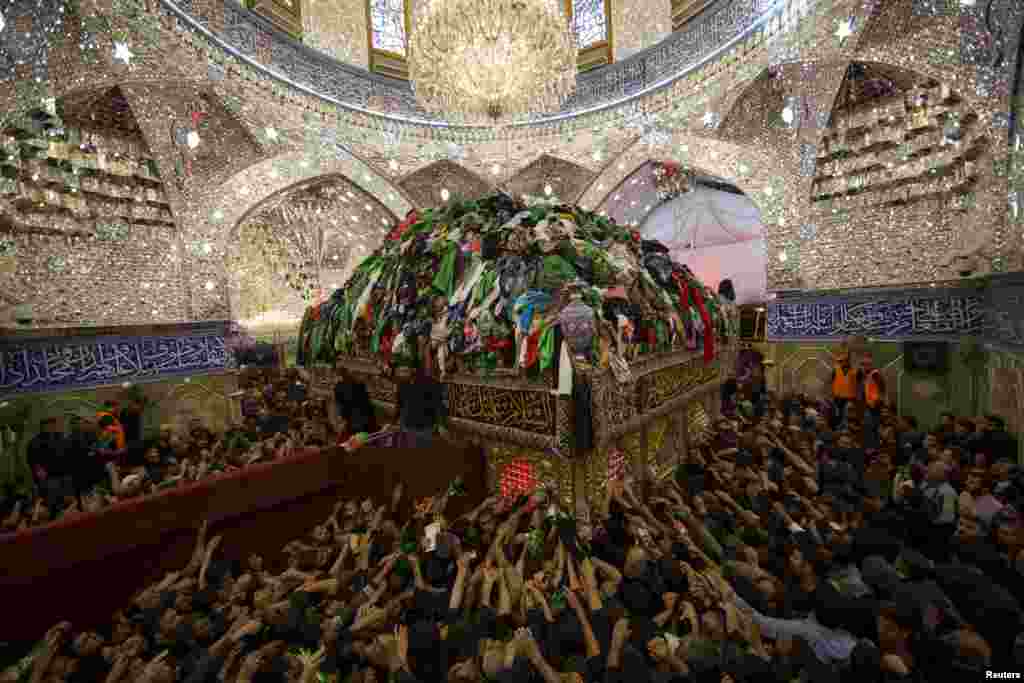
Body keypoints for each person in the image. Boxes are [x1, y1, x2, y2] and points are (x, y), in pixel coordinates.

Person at [396, 363, 445, 447]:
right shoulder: (402, 384)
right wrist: (393, 422)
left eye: (405, 371)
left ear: (413, 370)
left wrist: (441, 425)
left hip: (425, 428)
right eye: (400, 371)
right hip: (407, 426)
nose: (402, 374)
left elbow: (438, 404)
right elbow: (399, 404)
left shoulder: (430, 383)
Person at [862, 353, 886, 450]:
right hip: (871, 405)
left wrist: (879, 399)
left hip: (875, 405)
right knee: (871, 427)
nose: (865, 367)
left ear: (871, 364)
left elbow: (882, 387)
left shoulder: (875, 373)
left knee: (872, 427)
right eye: (863, 365)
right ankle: (873, 446)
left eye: (867, 364)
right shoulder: (868, 375)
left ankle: (875, 446)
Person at [830, 350, 858, 431]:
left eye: (844, 361)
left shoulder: (854, 371)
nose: (842, 363)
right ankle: (838, 429)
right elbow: (832, 382)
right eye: (841, 361)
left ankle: (845, 429)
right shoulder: (835, 370)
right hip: (838, 398)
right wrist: (832, 395)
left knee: (846, 415)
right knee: (838, 415)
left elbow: (858, 383)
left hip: (850, 398)